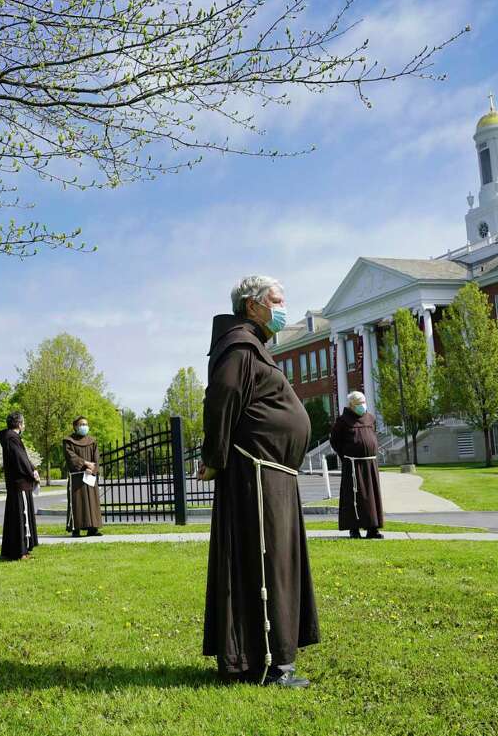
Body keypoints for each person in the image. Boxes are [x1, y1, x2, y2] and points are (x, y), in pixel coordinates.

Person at [198, 275, 319, 688]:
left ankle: (271, 657)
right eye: (278, 301)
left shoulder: (252, 347)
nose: (284, 308)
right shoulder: (239, 347)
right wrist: (214, 457)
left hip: (272, 475)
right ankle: (268, 664)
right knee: (266, 566)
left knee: (278, 566)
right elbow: (222, 398)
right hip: (256, 474)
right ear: (253, 306)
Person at [329, 391, 385, 539]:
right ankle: (354, 529)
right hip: (353, 466)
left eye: (363, 402)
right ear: (352, 405)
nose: (362, 405)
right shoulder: (343, 421)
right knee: (353, 497)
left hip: (370, 465)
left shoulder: (370, 418)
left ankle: (372, 529)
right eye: (359, 403)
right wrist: (346, 456)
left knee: (371, 498)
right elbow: (335, 441)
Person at [0, 411, 40, 560]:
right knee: (22, 517)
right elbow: (20, 460)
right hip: (20, 483)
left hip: (17, 484)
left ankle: (14, 550)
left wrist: (32, 468)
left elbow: (23, 458)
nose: (24, 425)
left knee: (16, 516)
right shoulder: (12, 438)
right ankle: (20, 551)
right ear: (19, 424)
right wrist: (32, 473)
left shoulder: (11, 438)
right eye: (23, 423)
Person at [63, 416, 103, 537]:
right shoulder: (68, 441)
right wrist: (85, 464)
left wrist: (93, 468)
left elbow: (96, 457)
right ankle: (76, 529)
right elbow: (71, 457)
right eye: (81, 424)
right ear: (75, 426)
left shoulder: (92, 441)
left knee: (92, 502)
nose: (84, 426)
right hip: (77, 478)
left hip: (90, 477)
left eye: (86, 424)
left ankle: (93, 529)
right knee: (78, 503)